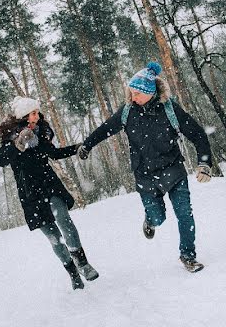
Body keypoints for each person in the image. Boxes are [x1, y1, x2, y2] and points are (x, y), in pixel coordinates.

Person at [77, 62, 212, 273]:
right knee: (159, 218)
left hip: (173, 169)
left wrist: (204, 163)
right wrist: (87, 144)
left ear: (150, 92)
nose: (132, 98)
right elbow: (106, 129)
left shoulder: (169, 109)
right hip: (145, 175)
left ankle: (188, 255)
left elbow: (197, 134)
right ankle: (150, 219)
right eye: (131, 93)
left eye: (137, 94)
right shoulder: (127, 112)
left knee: (185, 214)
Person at [0, 96, 99, 290]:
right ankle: (73, 274)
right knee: (54, 238)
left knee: (64, 219)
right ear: (24, 116)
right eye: (33, 112)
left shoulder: (42, 132)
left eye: (37, 112)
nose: (38, 115)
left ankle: (83, 263)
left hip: (49, 184)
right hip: (30, 194)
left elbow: (54, 153)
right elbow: (1, 160)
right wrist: (18, 143)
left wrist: (77, 149)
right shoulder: (10, 138)